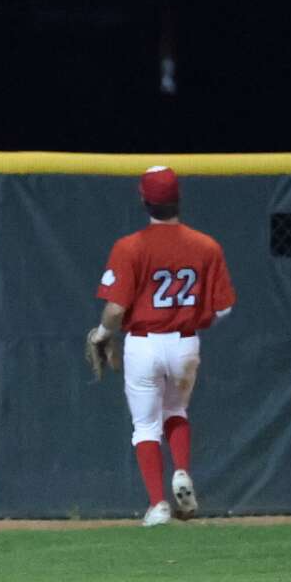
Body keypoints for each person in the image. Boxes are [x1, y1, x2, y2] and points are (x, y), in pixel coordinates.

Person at [85, 166, 236, 525]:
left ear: (144, 200)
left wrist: (102, 334)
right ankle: (181, 470)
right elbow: (224, 308)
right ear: (178, 199)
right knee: (176, 412)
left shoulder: (130, 246)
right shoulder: (207, 245)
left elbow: (116, 309)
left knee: (145, 427)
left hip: (143, 344)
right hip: (185, 344)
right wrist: (193, 320)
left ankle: (158, 505)